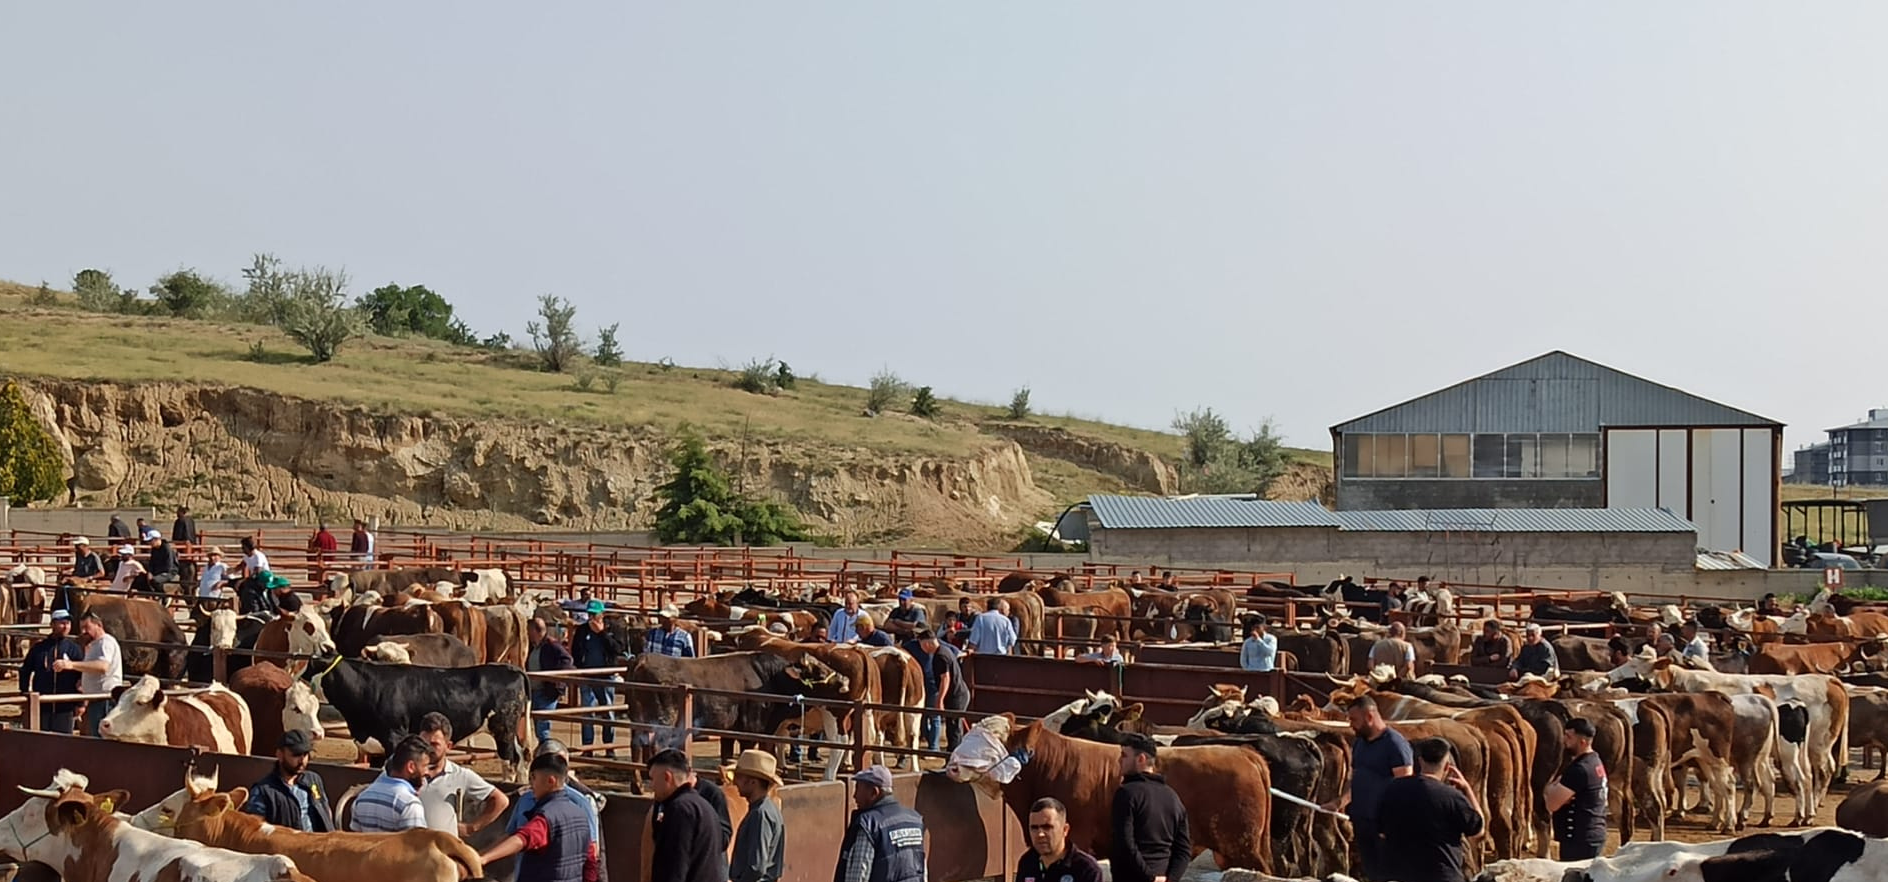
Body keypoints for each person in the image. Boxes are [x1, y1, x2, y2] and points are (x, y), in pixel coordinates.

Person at [1321, 696, 1413, 881]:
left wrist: (1393, 825)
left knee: (1389, 875)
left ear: (1369, 717)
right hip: (1363, 823)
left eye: (1354, 719)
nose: (1350, 725)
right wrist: (1339, 802)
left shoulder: (1395, 745)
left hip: (1385, 827)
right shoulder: (1360, 744)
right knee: (1371, 872)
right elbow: (1354, 779)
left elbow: (1406, 789)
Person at [1377, 737, 1485, 882]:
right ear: (1447, 767)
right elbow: (1479, 832)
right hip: (1442, 876)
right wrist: (1467, 789)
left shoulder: (1392, 789)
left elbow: (1381, 832)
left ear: (1420, 761)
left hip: (1398, 875)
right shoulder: (1452, 797)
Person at [480, 752, 598, 882]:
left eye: (534, 778)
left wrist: (485, 858)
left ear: (551, 781)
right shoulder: (579, 812)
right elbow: (591, 858)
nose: (531, 784)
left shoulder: (548, 816)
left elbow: (523, 838)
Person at [508, 739, 606, 882]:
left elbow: (592, 853)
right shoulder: (525, 799)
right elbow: (511, 835)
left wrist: (484, 858)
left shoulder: (582, 802)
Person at [417, 712, 511, 838]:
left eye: (434, 744)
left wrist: (471, 827)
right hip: (410, 852)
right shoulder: (407, 771)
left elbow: (500, 800)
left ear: (448, 746)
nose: (428, 749)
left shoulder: (461, 775)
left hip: (443, 853)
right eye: (424, 743)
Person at [1110, 733, 1189, 882]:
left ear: (1141, 759)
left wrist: (1150, 877)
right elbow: (1184, 850)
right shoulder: (1173, 797)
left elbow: (1125, 843)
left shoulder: (1126, 793)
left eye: (1124, 755)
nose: (1119, 760)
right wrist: (1170, 879)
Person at [835, 765, 926, 882]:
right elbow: (922, 871)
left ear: (874, 792)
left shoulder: (868, 824)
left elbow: (859, 875)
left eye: (858, 789)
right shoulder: (915, 820)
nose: (854, 796)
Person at [648, 749, 727, 882]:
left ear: (667, 777)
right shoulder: (700, 804)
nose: (652, 786)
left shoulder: (680, 810)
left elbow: (675, 864)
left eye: (653, 779)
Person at [242, 729, 335, 832]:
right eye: (296, 755)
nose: (302, 760)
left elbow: (326, 810)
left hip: (319, 843)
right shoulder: (263, 791)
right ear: (280, 755)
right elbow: (255, 829)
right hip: (287, 845)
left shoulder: (313, 779)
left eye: (305, 754)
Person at [1545, 718, 1608, 861]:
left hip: (1579, 840)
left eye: (1569, 736)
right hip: (1591, 833)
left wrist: (1550, 787)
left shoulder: (1579, 769)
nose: (1564, 740)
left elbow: (1552, 804)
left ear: (1582, 742)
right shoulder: (1594, 761)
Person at [55, 612, 123, 736]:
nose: (83, 631)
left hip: (103, 699)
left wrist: (72, 665)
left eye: (87, 627)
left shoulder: (105, 643)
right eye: (82, 628)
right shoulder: (95, 645)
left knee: (101, 737)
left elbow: (103, 666)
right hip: (96, 698)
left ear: (99, 625)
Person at [349, 734, 435, 833]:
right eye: (425, 766)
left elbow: (356, 840)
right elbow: (416, 847)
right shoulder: (409, 805)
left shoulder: (362, 798)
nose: (427, 772)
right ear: (411, 767)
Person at [569, 611, 627, 756]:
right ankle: (588, 748)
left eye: (595, 614)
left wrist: (602, 633)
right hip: (588, 675)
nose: (592, 617)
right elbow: (575, 650)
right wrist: (581, 666)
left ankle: (609, 747)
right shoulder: (582, 630)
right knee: (587, 713)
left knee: (608, 712)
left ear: (602, 615)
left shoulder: (613, 629)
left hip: (606, 676)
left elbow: (618, 649)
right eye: (590, 613)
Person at [20, 609, 83, 734]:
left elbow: (81, 676)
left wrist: (80, 703)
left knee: (64, 741)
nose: (66, 627)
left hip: (65, 706)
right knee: (41, 740)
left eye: (68, 623)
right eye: (62, 623)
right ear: (52, 625)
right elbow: (25, 671)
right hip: (42, 705)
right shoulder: (39, 648)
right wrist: (25, 693)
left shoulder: (74, 649)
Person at [729, 750, 786, 882]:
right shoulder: (767, 809)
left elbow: (756, 867)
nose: (734, 782)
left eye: (739, 777)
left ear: (753, 783)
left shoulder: (760, 814)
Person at [1014, 797, 1103, 882]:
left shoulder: (1086, 869)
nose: (1040, 834)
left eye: (1047, 827)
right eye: (1034, 828)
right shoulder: (1027, 863)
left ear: (1065, 830)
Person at [908, 629, 968, 751]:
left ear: (926, 644)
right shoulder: (945, 650)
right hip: (958, 693)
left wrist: (939, 699)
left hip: (955, 696)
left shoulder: (940, 656)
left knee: (953, 730)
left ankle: (952, 759)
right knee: (954, 728)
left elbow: (945, 678)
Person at [527, 618, 574, 746]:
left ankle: (546, 752)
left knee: (543, 727)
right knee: (538, 726)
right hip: (535, 690)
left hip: (546, 691)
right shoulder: (534, 647)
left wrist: (556, 680)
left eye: (529, 630)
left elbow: (567, 660)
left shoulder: (552, 645)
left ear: (534, 631)